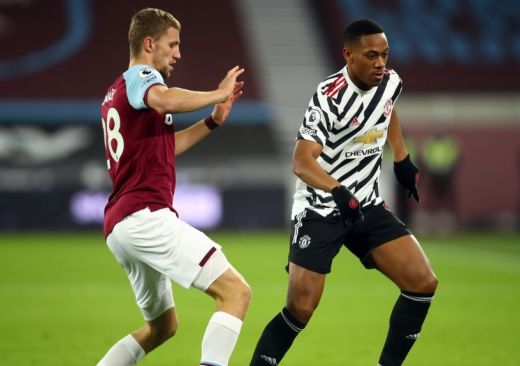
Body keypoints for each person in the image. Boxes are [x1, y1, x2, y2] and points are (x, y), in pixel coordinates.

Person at [249, 19, 438, 366]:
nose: (381, 63)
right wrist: (338, 192)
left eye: (385, 55)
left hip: (366, 205)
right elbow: (301, 162)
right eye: (371, 56)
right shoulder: (328, 97)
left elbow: (387, 109)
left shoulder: (390, 82)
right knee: (301, 308)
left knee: (423, 282)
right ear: (349, 55)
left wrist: (402, 158)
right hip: (321, 208)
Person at [96, 8, 250, 366]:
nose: (178, 53)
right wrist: (217, 93)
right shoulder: (141, 76)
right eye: (173, 44)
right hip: (145, 215)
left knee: (162, 326)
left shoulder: (115, 93)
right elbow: (166, 99)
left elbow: (167, 147)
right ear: (149, 44)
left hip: (122, 224)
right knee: (236, 292)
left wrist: (212, 122)